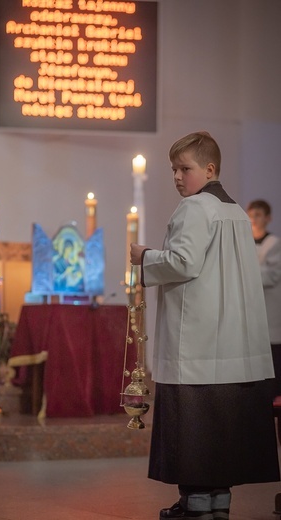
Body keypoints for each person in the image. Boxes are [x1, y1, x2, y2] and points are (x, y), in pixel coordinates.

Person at [130, 132, 279, 520]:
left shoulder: (195, 207)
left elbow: (183, 263)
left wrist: (145, 256)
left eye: (185, 168)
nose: (178, 177)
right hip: (230, 339)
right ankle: (217, 504)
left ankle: (195, 507)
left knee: (193, 430)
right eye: (173, 170)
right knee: (221, 432)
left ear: (210, 169)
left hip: (195, 341)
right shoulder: (235, 213)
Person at [247, 199, 281, 396]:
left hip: (270, 308)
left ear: (268, 218)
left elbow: (272, 275)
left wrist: (245, 272)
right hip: (250, 309)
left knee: (272, 355)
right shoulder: (245, 241)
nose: (253, 219)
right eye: (250, 214)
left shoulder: (274, 244)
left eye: (258, 215)